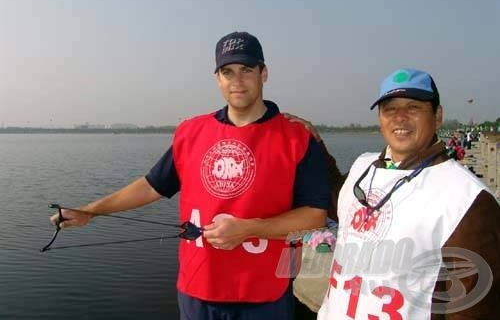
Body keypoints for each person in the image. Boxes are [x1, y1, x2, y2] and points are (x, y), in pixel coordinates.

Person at [48, 31, 331, 319]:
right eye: (227, 71)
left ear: (264, 73)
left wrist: (249, 228)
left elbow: (314, 217)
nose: (237, 80)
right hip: (198, 291)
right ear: (217, 78)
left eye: (247, 70)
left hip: (266, 292)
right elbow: (151, 186)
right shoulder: (192, 132)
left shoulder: (296, 137)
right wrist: (89, 211)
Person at [289, 68, 499, 319]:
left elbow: (474, 307)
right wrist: (315, 143)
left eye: (413, 107)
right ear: (380, 118)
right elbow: (335, 198)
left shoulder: (468, 199)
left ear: (437, 116)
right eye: (390, 109)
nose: (400, 118)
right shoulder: (363, 167)